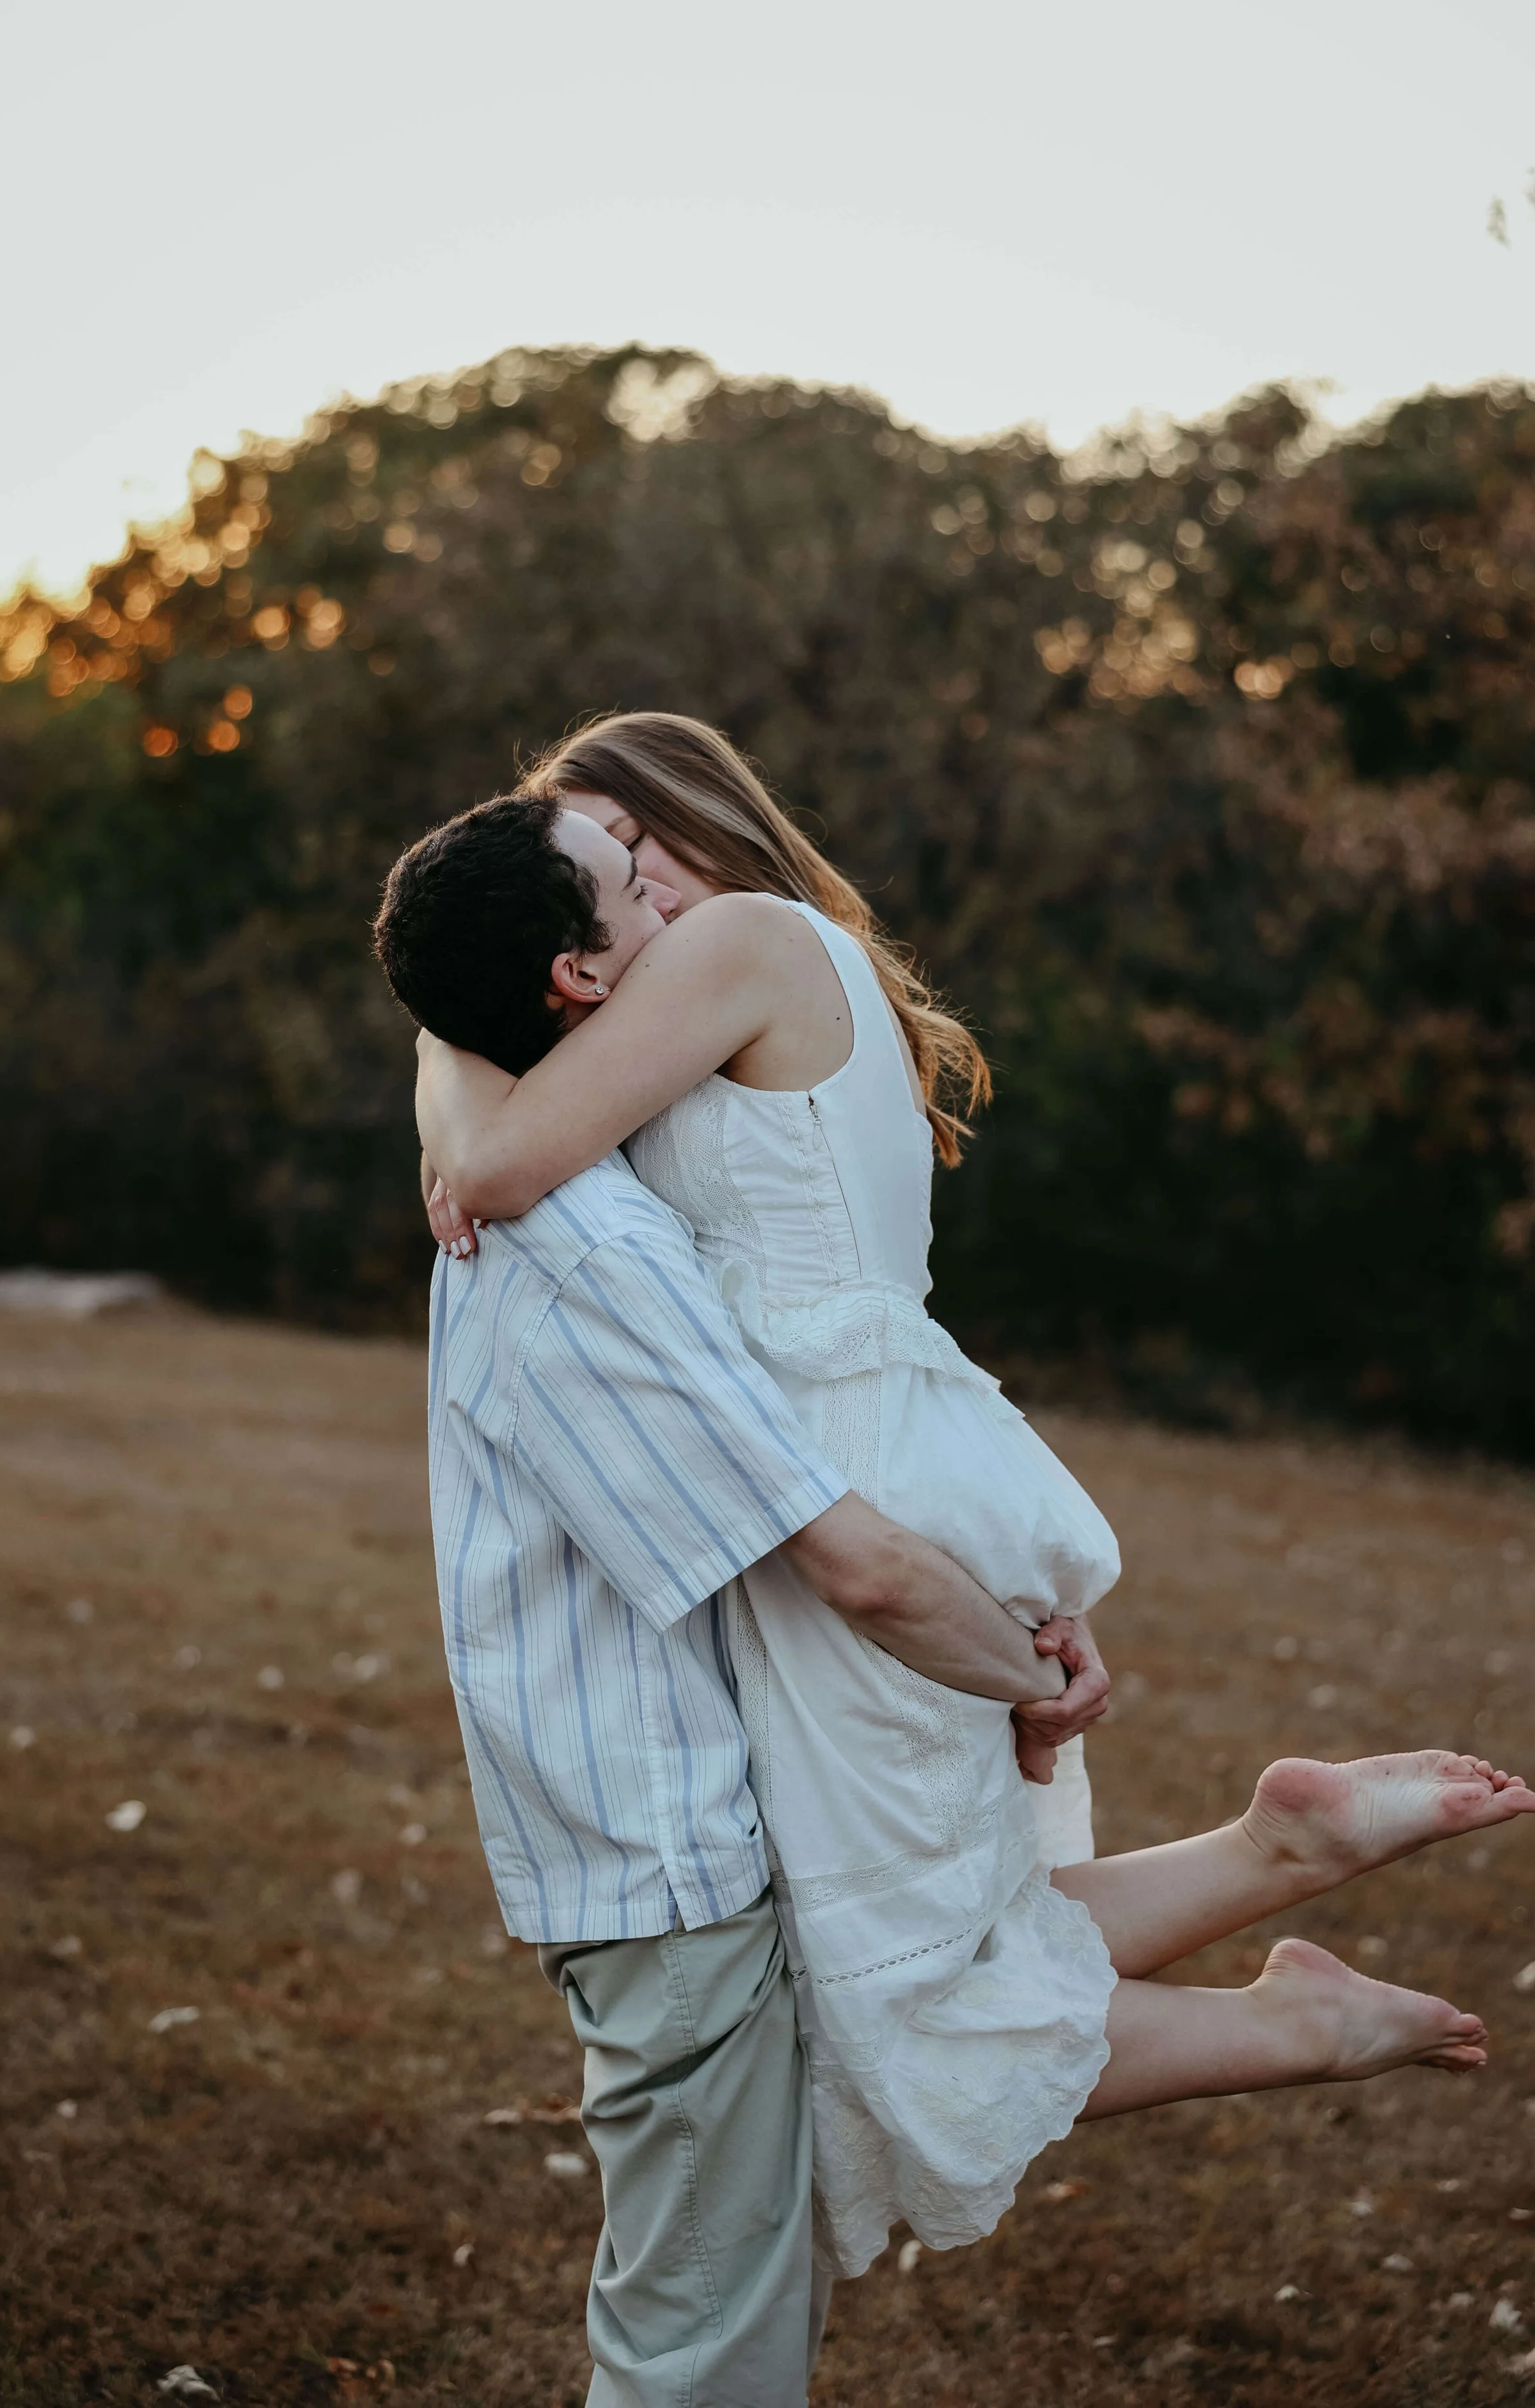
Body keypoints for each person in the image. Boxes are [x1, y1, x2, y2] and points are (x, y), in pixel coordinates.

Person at [376, 721, 1535, 2293]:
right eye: (595, 880)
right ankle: (1278, 1856)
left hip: (839, 1487)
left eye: (618, 850)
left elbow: (504, 1161)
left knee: (887, 1995)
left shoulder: (732, 941)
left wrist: (442, 1048)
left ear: (686, 827)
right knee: (929, 1925)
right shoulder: (793, 956)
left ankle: (1293, 2012)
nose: (623, 894)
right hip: (882, 1447)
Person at [393, 786, 1100, 2403]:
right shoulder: (594, 1251)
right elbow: (851, 1564)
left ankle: (1293, 1898)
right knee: (700, 2349)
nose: (671, 917)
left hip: (642, 1834)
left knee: (730, 2299)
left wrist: (442, 1057)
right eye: (628, 888)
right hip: (662, 1856)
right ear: (576, 980)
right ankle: (1300, 1953)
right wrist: (1033, 1671)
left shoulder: (555, 1199)